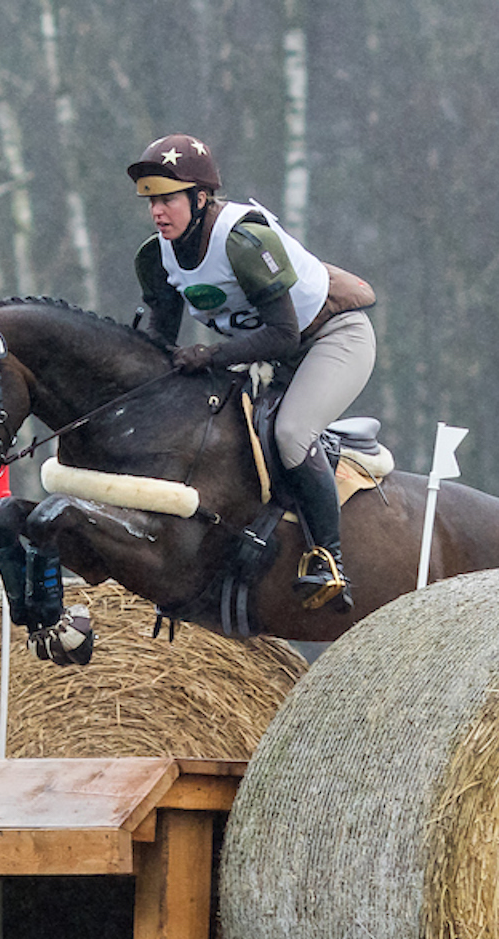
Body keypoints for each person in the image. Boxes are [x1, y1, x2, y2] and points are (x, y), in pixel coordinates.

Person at [129, 133, 377, 611]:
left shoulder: (243, 241)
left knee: (291, 433)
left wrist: (210, 356)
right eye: (152, 202)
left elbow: (283, 334)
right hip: (271, 356)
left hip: (331, 339)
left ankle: (329, 559)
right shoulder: (156, 256)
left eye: (168, 200)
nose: (158, 212)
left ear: (201, 199)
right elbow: (161, 340)